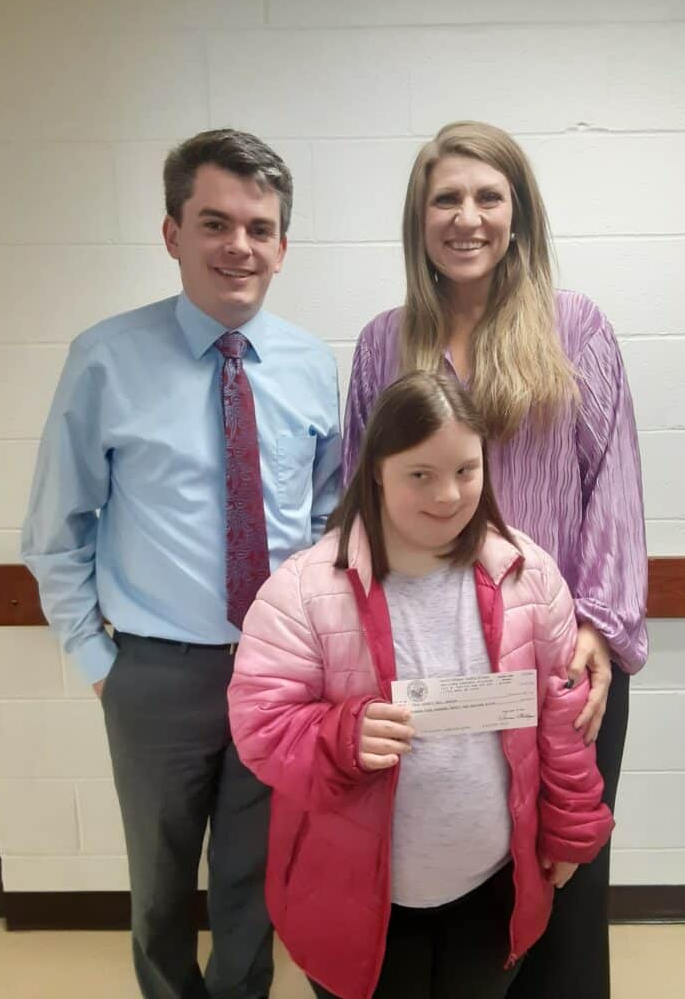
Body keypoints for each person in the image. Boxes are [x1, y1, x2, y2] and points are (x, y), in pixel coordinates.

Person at [21, 129, 342, 999]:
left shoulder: (315, 367)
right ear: (173, 234)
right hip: (154, 672)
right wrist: (98, 662)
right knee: (160, 885)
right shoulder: (105, 359)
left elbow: (328, 517)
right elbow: (56, 528)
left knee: (254, 880)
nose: (238, 245)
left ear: (282, 245)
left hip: (277, 673)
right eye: (214, 222)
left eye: (259, 227)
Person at [342, 121, 648, 999]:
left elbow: (612, 485)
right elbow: (356, 501)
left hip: (560, 657)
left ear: (518, 216)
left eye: (488, 197)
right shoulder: (382, 345)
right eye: (447, 198)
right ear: (420, 218)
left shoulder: (574, 328)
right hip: (430, 659)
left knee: (565, 867)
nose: (466, 217)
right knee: (455, 873)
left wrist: (601, 626)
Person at [228, 372, 615, 999]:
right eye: (420, 474)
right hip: (356, 895)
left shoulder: (529, 574)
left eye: (466, 470)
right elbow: (261, 725)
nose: (449, 494)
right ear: (376, 470)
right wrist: (343, 733)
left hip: (492, 885)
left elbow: (561, 715)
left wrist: (570, 829)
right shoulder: (302, 591)